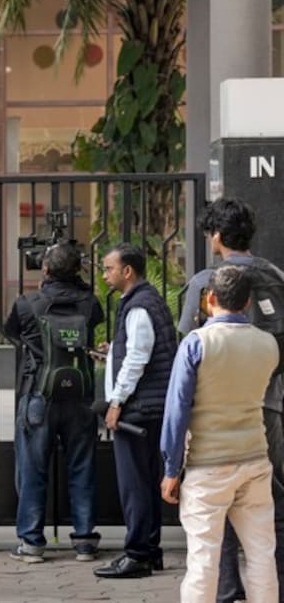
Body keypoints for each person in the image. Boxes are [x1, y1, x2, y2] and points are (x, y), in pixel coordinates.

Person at [178, 198, 284, 602]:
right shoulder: (275, 275)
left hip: (213, 419)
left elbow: (186, 348)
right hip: (269, 405)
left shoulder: (206, 281)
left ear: (217, 237)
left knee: (213, 512)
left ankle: (224, 592)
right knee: (270, 508)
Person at [2, 243, 104, 563]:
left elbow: (11, 332)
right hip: (81, 396)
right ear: (77, 270)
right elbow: (94, 324)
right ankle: (85, 540)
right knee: (82, 467)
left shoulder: (27, 304)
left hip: (38, 395)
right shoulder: (90, 303)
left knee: (32, 470)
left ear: (45, 269)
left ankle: (32, 542)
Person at [93, 244, 177, 579]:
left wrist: (116, 402)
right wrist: (114, 351)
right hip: (150, 406)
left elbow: (139, 358)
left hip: (138, 410)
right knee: (144, 481)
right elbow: (139, 348)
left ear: (128, 271)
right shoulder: (147, 300)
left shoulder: (139, 306)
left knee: (135, 485)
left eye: (108, 268)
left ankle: (138, 554)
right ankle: (149, 551)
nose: (104, 274)